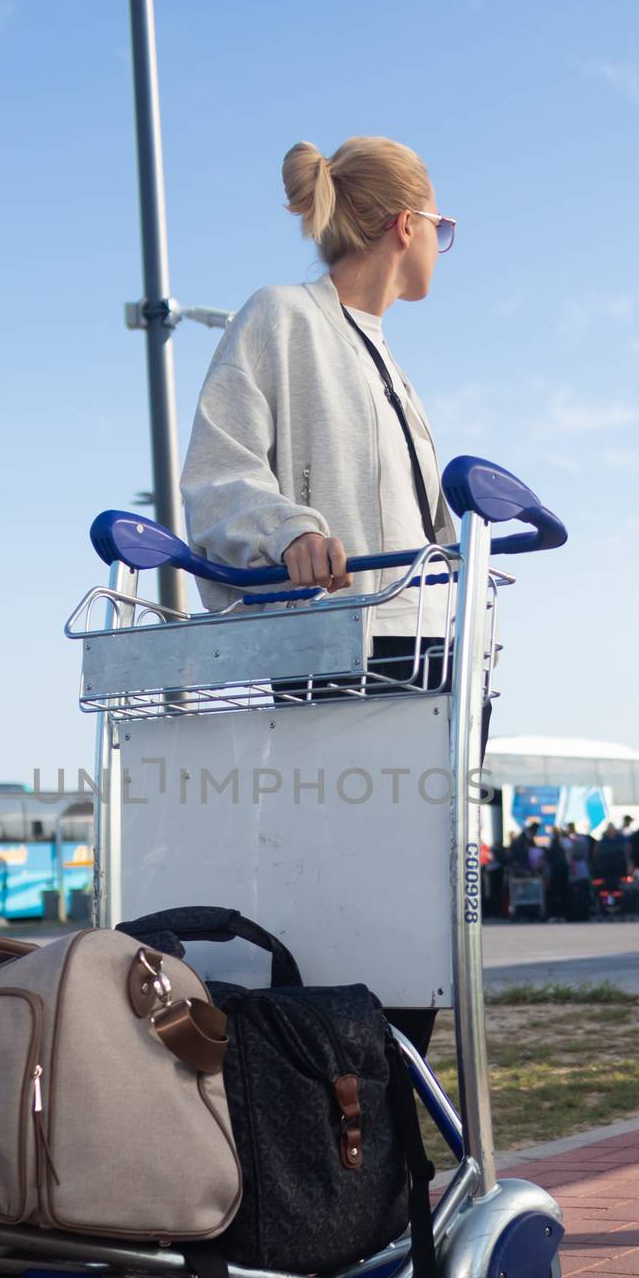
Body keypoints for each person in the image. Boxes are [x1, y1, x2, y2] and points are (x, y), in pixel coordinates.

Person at [181, 135, 457, 1052]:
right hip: (338, 663)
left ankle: (385, 1163)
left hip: (425, 669)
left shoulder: (389, 360)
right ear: (406, 226)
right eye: (440, 228)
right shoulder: (283, 319)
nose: (438, 247)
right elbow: (218, 476)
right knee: (345, 928)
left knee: (413, 942)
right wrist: (290, 529)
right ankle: (339, 1147)